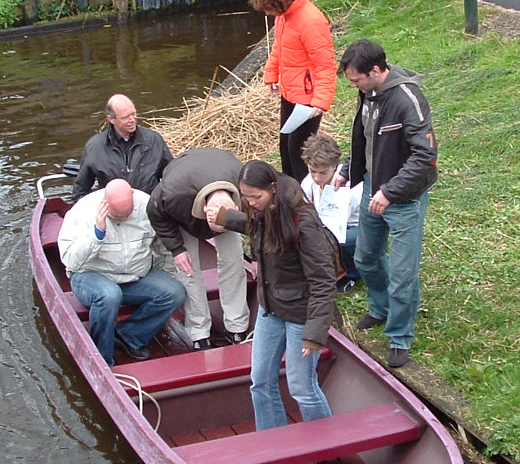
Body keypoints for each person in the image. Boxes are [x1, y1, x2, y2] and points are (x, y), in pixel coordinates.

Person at [207, 159, 335, 431]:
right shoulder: (265, 209)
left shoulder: (303, 221)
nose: (251, 203)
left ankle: (325, 446)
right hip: (270, 308)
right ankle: (273, 441)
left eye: (256, 197)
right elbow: (258, 227)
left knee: (302, 388)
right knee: (260, 382)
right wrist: (226, 217)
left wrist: (314, 334)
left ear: (273, 188)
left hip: (300, 314)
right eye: (246, 197)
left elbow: (323, 281)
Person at [337, 39, 437, 369]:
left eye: (356, 80)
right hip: (372, 189)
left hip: (403, 199)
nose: (354, 86)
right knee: (365, 259)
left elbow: (425, 157)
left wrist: (390, 192)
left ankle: (399, 336)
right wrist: (348, 170)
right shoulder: (368, 93)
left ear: (376, 70)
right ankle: (380, 308)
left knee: (402, 274)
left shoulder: (408, 100)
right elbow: (366, 139)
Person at [57, 179, 186, 365]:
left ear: (133, 195)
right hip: (91, 276)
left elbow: (162, 247)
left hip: (134, 275)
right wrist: (97, 234)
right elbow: (71, 262)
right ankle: (102, 359)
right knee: (109, 295)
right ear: (105, 204)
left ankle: (129, 335)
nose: (125, 219)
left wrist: (166, 274)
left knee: (175, 292)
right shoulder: (82, 212)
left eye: (128, 214)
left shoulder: (148, 206)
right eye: (118, 216)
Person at [146, 147, 252, 350]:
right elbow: (156, 214)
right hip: (185, 208)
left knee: (234, 261)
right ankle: (199, 331)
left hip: (220, 182)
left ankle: (237, 326)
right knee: (188, 269)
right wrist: (177, 249)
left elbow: (261, 225)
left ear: (237, 209)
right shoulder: (173, 193)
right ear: (205, 210)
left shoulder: (247, 190)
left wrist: (255, 257)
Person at [249, 0, 336, 182]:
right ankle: (290, 190)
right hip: (290, 92)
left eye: (268, 9)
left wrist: (321, 100)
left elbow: (325, 64)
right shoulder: (283, 16)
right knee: (286, 147)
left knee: (298, 152)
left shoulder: (311, 20)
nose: (267, 13)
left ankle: (306, 193)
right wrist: (271, 73)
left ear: (277, 3)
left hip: (307, 99)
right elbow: (280, 47)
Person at [72, 94, 173, 201]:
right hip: (114, 208)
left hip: (150, 206)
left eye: (133, 114)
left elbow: (172, 176)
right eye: (125, 117)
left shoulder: (153, 140)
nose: (132, 120)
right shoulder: (95, 147)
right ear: (111, 119)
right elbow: (80, 191)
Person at [300, 133, 362, 292]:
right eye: (312, 171)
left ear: (334, 166)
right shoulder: (308, 183)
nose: (316, 177)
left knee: (338, 241)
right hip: (324, 224)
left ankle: (351, 273)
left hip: (353, 226)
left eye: (322, 173)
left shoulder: (351, 185)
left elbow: (336, 223)